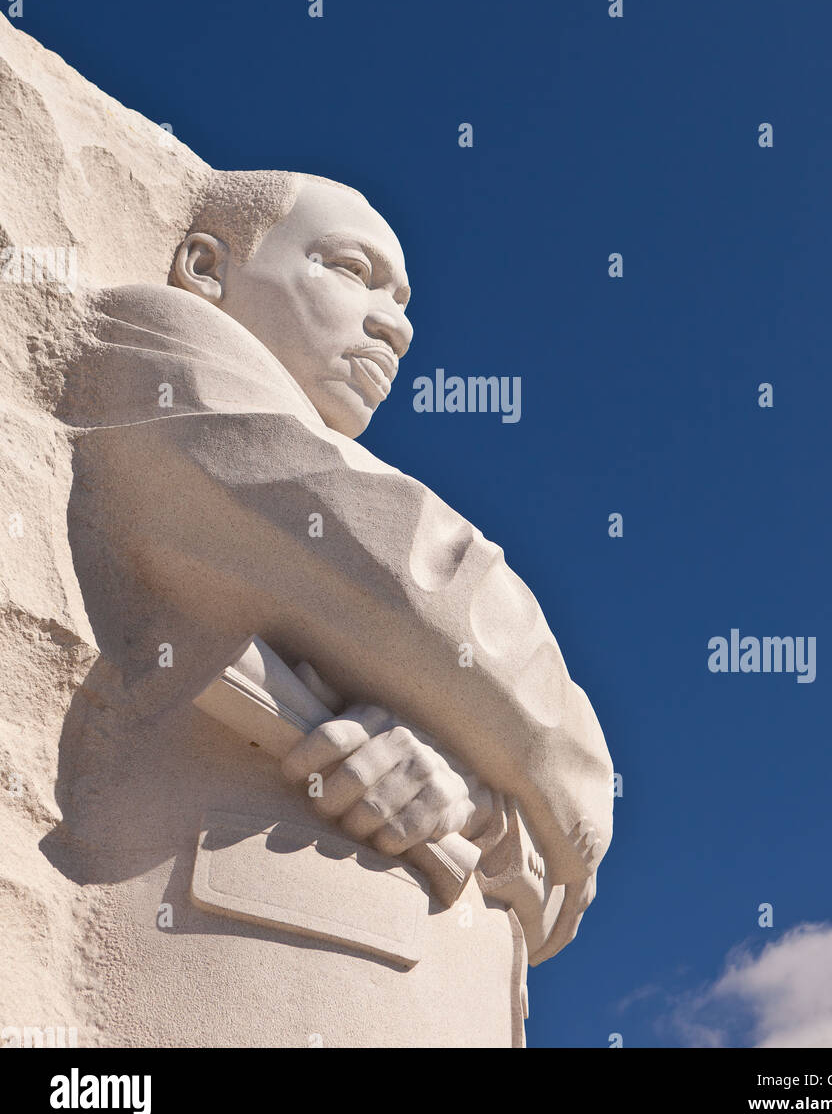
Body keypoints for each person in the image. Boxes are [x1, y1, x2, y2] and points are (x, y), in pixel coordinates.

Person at [55, 169, 613, 1047]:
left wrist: (477, 808)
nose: (396, 324)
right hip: (253, 974)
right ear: (205, 269)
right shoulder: (150, 359)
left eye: (403, 300)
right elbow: (427, 592)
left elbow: (555, 898)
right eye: (351, 271)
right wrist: (557, 769)